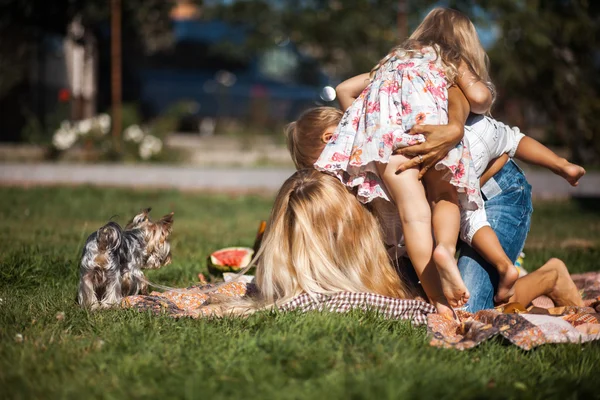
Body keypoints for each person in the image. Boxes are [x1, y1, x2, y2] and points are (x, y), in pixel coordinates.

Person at [285, 95, 585, 312]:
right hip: (452, 210)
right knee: (420, 295)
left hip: (494, 196)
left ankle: (550, 277)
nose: (327, 180)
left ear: (330, 139)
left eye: (320, 169)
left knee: (468, 310)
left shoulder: (390, 143)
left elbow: (441, 196)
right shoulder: (359, 171)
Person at [315, 8, 518, 314]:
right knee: (445, 195)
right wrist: (481, 92)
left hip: (385, 138)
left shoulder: (392, 58)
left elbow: (349, 92)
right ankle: (445, 252)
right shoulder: (449, 56)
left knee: (414, 217)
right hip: (431, 127)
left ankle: (439, 302)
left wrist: (363, 130)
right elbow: (478, 97)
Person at [203, 169, 582, 317]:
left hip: (486, 196)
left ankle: (549, 276)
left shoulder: (353, 282)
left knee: (473, 314)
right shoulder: (335, 259)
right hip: (444, 227)